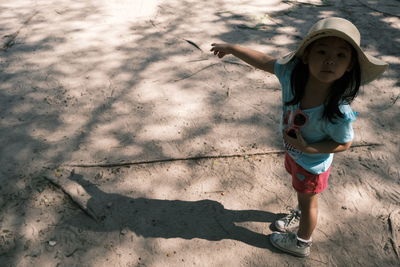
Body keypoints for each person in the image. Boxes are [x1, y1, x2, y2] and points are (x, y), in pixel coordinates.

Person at [210, 17, 387, 257]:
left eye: (341, 56)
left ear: (349, 66)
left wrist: (308, 148)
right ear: (306, 55)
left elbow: (344, 143)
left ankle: (301, 243)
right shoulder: (291, 74)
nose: (330, 60)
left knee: (309, 202)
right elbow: (263, 60)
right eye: (322, 51)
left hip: (312, 166)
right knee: (302, 195)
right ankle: (300, 211)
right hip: (295, 155)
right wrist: (231, 49)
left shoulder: (338, 111)